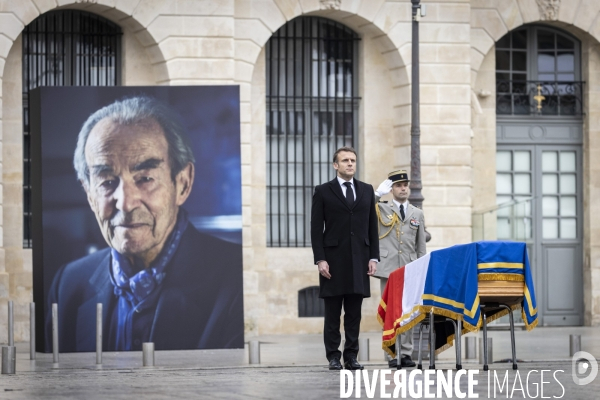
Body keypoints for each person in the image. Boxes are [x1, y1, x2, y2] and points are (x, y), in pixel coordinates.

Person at [46, 96, 243, 352]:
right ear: (89, 194)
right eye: (106, 182)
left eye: (145, 178)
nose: (126, 203)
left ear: (182, 183)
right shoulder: (68, 285)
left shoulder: (238, 280)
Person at [310, 146, 379, 371]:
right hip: (333, 261)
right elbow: (315, 228)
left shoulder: (367, 190)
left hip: (359, 260)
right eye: (345, 160)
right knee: (332, 313)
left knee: (354, 313)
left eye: (353, 160)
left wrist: (374, 257)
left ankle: (351, 356)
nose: (350, 164)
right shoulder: (323, 191)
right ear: (335, 165)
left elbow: (372, 227)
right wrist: (320, 259)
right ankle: (333, 356)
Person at [374, 170, 426, 368]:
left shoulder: (417, 213)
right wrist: (377, 194)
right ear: (392, 189)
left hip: (410, 268)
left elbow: (421, 246)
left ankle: (405, 353)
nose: (403, 188)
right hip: (388, 269)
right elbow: (362, 209)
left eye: (405, 184)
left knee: (408, 312)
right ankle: (391, 353)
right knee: (390, 312)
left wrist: (422, 269)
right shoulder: (381, 209)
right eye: (398, 185)